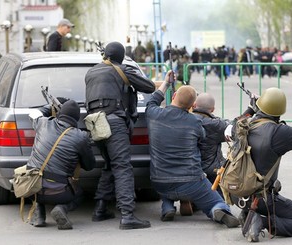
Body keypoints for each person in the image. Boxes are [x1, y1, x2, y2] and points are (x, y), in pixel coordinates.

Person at [145, 72, 239, 228]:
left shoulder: (154, 114)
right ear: (192, 106)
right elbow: (202, 137)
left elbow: (153, 100)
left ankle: (167, 207)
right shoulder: (195, 122)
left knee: (165, 180)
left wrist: (167, 83)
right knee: (217, 201)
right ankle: (218, 210)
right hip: (191, 182)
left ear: (174, 95)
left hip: (159, 180)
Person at [228, 87, 292, 242]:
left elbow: (230, 126)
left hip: (236, 193)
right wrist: (285, 128)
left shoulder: (241, 125)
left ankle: (248, 212)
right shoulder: (277, 132)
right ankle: (259, 221)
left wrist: (252, 108)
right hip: (260, 197)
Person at [85, 41, 155, 230]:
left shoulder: (90, 72)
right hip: (114, 122)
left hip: (95, 122)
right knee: (122, 166)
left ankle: (100, 209)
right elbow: (149, 87)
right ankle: (127, 215)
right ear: (121, 57)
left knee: (110, 164)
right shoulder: (122, 70)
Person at [26, 100, 96, 230]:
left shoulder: (43, 123)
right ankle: (61, 208)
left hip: (29, 188)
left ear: (60, 113)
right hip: (59, 193)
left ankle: (39, 213)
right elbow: (89, 166)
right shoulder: (80, 137)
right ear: (76, 118)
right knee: (80, 193)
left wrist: (50, 106)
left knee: (37, 177)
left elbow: (34, 113)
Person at [192, 92, 230, 197]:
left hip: (191, 168)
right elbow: (235, 127)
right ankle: (219, 202)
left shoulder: (187, 120)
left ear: (194, 105)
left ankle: (192, 201)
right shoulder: (216, 125)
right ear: (212, 109)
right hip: (211, 171)